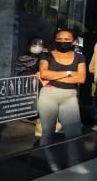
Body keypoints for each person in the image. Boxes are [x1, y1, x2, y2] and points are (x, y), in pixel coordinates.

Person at [37, 29, 87, 172]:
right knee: (47, 131)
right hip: (48, 95)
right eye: (59, 39)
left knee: (74, 132)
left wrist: (53, 76)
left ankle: (74, 162)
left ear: (74, 41)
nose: (63, 42)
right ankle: (49, 161)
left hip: (69, 96)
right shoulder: (47, 55)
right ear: (55, 40)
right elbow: (44, 73)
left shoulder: (79, 57)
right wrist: (68, 73)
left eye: (67, 39)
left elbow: (81, 78)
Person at [14, 37, 46, 136]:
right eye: (34, 44)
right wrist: (30, 75)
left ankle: (40, 126)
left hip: (43, 86)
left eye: (40, 45)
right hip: (29, 86)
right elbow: (17, 74)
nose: (37, 47)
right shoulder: (22, 58)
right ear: (29, 45)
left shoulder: (45, 57)